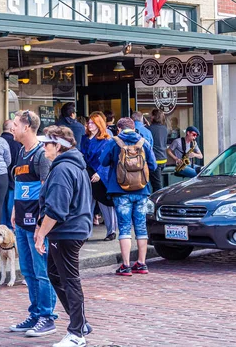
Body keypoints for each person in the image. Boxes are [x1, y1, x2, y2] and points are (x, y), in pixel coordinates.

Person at [35, 125, 93, 347]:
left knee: (69, 280)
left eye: (46, 143)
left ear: (58, 146)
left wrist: (41, 233)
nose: (43, 147)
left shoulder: (62, 169)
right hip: (71, 229)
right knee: (56, 275)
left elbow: (57, 209)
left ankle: (77, 333)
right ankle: (81, 323)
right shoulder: (71, 166)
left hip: (68, 231)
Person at [9, 110, 57, 338]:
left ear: (26, 127)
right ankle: (36, 314)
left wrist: (41, 225)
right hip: (20, 220)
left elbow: (46, 190)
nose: (12, 127)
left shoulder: (41, 155)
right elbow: (20, 182)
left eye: (16, 124)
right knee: (28, 271)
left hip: (36, 223)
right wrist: (13, 209)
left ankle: (48, 317)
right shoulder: (20, 151)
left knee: (41, 271)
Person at [98, 117, 157, 276]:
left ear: (119, 128)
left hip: (120, 190)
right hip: (141, 190)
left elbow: (103, 162)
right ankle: (142, 263)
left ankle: (125, 265)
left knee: (124, 227)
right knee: (140, 226)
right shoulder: (143, 142)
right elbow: (153, 165)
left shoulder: (114, 141)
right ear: (133, 127)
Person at [79, 112, 117, 242]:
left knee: (105, 204)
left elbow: (107, 159)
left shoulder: (106, 140)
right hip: (86, 172)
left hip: (100, 175)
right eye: (89, 122)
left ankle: (111, 231)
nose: (89, 125)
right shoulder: (84, 139)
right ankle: (86, 233)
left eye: (92, 123)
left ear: (98, 124)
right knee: (87, 204)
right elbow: (81, 156)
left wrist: (100, 173)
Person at [1, 119, 22, 229]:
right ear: (11, 129)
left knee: (0, 206)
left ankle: (1, 229)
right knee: (10, 205)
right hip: (12, 179)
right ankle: (10, 228)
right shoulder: (16, 144)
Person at [147, 109, 168, 192]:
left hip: (155, 160)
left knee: (157, 186)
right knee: (156, 183)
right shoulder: (164, 128)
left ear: (153, 117)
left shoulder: (149, 129)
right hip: (163, 159)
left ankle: (158, 203)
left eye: (150, 115)